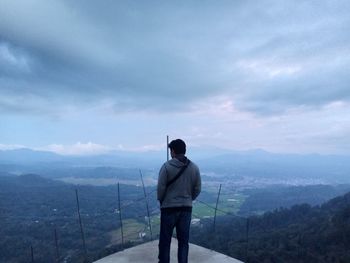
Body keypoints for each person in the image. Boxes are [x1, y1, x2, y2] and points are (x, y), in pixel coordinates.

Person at [157, 139, 201, 263]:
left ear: (173, 151)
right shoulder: (194, 168)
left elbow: (160, 189)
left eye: (171, 150)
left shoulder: (166, 167)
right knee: (183, 242)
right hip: (186, 209)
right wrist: (189, 198)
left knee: (165, 241)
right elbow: (198, 188)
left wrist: (162, 201)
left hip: (168, 208)